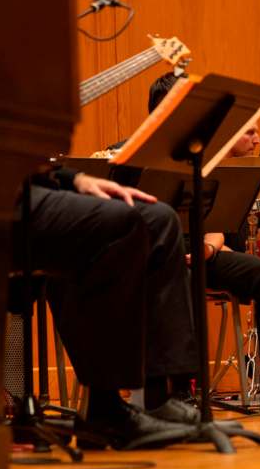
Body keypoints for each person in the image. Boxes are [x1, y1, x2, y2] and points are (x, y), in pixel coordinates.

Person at [115, 73, 260, 411]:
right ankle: (181, 388)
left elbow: (216, 218)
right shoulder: (128, 155)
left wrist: (210, 246)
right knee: (180, 280)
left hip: (199, 253)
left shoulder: (202, 157)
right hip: (151, 258)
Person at [26, 169, 206, 449]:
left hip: (32, 185)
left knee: (159, 218)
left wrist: (74, 179)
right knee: (121, 223)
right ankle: (105, 407)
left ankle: (157, 400)